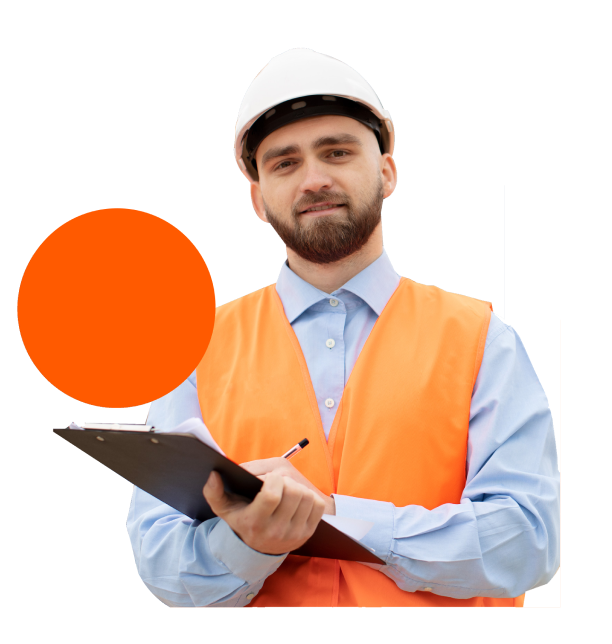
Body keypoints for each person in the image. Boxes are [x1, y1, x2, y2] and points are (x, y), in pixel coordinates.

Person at [126, 49, 560, 608]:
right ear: (258, 199)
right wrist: (248, 544)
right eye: (284, 162)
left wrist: (335, 519)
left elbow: (529, 541)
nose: (314, 179)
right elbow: (163, 565)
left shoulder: (484, 340)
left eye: (337, 151)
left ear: (386, 171)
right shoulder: (195, 348)